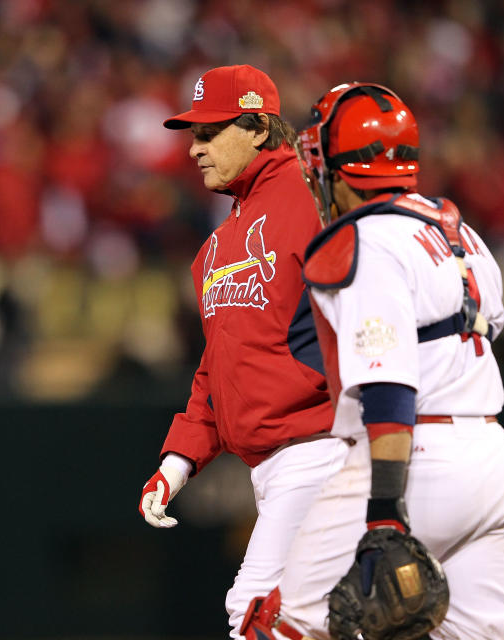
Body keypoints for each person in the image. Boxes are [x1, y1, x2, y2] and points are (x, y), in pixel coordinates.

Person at [252, 83, 504, 640]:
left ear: (338, 165)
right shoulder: (463, 233)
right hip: (498, 462)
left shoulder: (366, 239)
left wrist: (384, 509)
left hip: (413, 461)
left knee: (286, 626)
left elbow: (389, 386)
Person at [137, 64, 350, 639]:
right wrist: (177, 463)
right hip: (272, 464)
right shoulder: (217, 244)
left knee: (254, 611)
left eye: (209, 133)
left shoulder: (315, 204)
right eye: (193, 135)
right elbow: (216, 368)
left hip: (322, 449)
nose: (193, 150)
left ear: (258, 128)